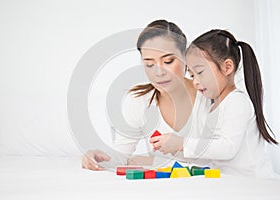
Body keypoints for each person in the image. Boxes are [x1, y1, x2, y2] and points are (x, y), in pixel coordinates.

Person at [150, 29, 280, 180]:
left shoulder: (237, 102)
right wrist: (176, 149)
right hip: (233, 186)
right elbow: (209, 156)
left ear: (227, 67)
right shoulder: (212, 108)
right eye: (192, 75)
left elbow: (227, 149)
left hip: (256, 185)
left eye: (200, 72)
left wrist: (181, 143)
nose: (195, 82)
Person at [82, 19, 203, 171]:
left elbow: (224, 155)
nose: (159, 72)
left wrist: (152, 160)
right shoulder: (139, 101)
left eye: (168, 61)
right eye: (149, 64)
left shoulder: (210, 95)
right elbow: (122, 156)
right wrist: (100, 157)